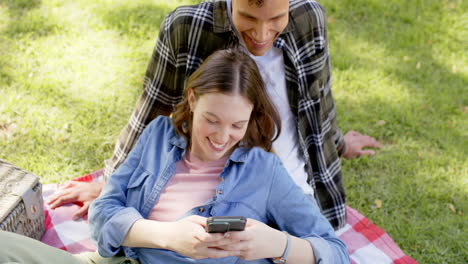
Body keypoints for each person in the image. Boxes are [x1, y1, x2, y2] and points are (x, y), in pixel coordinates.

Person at [47, 0, 381, 229]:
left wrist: (336, 142)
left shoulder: (309, 17)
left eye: (277, 18)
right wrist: (110, 183)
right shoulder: (187, 27)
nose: (262, 34)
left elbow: (319, 98)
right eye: (249, 17)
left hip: (295, 191)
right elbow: (152, 109)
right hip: (225, 196)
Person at [0, 48, 349, 264]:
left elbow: (335, 252)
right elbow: (104, 214)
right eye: (212, 120)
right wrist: (167, 236)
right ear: (193, 100)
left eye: (237, 125)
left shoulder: (264, 171)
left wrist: (278, 243)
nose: (222, 137)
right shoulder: (158, 136)